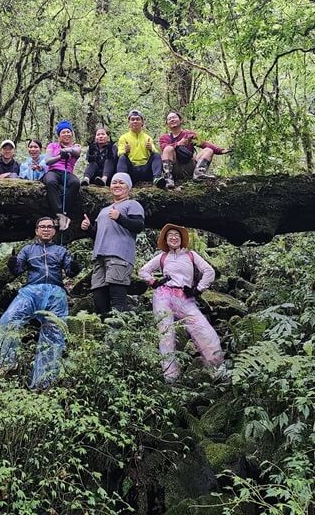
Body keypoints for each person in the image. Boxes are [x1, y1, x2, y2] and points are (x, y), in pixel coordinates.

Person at [0, 216, 80, 389]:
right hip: (31, 290)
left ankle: (44, 380)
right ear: (36, 230)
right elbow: (18, 269)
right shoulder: (28, 249)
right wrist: (12, 264)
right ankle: (7, 364)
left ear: (54, 231)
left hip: (55, 291)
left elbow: (70, 272)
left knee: (54, 332)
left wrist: (74, 266)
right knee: (9, 319)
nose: (46, 229)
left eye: (50, 226)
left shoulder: (60, 250)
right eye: (42, 226)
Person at [138, 224, 224, 381]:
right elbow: (143, 271)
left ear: (181, 238)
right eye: (170, 235)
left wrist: (198, 290)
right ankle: (170, 377)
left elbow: (209, 271)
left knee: (204, 330)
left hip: (185, 297)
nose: (173, 237)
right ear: (166, 239)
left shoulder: (191, 255)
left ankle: (217, 370)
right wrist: (154, 282)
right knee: (166, 335)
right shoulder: (163, 257)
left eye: (176, 234)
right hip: (163, 296)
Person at [80, 172, 145, 318]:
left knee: (117, 298)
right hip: (100, 256)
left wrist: (119, 217)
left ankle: (116, 334)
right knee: (99, 297)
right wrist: (88, 228)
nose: (117, 185)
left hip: (119, 255)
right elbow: (97, 234)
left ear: (128, 187)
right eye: (114, 182)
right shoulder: (104, 210)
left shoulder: (132, 204)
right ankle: (105, 332)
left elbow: (138, 226)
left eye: (121, 182)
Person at [159, 111, 230, 187]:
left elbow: (203, 143)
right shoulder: (164, 138)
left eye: (174, 117)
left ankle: (199, 174)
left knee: (208, 150)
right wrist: (178, 144)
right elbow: (164, 148)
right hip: (174, 168)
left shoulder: (189, 134)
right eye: (169, 119)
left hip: (189, 166)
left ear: (180, 120)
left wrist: (220, 150)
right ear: (167, 124)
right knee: (168, 148)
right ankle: (168, 179)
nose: (172, 120)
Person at [43, 121, 81, 231]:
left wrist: (66, 150)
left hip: (67, 172)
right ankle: (60, 214)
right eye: (63, 132)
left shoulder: (76, 146)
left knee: (75, 183)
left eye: (68, 132)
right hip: (53, 171)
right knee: (50, 182)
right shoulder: (52, 146)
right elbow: (48, 161)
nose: (66, 134)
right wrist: (60, 156)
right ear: (59, 135)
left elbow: (77, 152)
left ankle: (65, 212)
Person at [116, 110, 166, 188]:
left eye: (138, 119)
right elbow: (119, 153)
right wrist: (126, 152)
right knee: (122, 158)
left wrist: (150, 149)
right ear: (129, 123)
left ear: (142, 122)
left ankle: (157, 178)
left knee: (156, 155)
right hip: (132, 169)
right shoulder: (124, 138)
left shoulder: (147, 137)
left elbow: (156, 152)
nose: (135, 121)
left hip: (145, 169)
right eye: (132, 119)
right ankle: (121, 181)